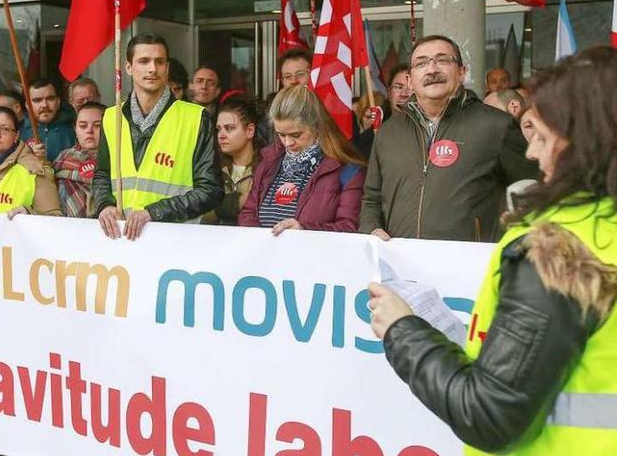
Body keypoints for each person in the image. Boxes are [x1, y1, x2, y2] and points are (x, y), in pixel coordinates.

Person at [367, 46, 617, 456]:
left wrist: (402, 330)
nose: (533, 153)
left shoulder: (557, 251)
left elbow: (488, 414)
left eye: (542, 135)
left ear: (583, 137)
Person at [359, 35, 537, 242]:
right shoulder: (389, 133)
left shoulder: (497, 126)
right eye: (421, 63)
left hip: (471, 267)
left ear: (462, 72)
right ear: (409, 80)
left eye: (443, 60)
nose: (432, 69)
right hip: (402, 266)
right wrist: (371, 229)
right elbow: (371, 199)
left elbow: (533, 191)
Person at [93, 33, 223, 240]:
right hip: (119, 241)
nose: (152, 68)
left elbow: (211, 190)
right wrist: (105, 204)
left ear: (167, 67)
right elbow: (101, 175)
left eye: (159, 62)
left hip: (175, 241)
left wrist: (155, 212)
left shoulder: (196, 117)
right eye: (144, 61)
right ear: (128, 67)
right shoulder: (111, 117)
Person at [239, 85, 366, 234]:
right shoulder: (268, 162)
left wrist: (304, 231)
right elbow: (248, 212)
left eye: (296, 135)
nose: (287, 143)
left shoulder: (347, 171)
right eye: (281, 134)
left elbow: (349, 227)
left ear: (317, 126)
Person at [204, 95, 265, 225]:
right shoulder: (211, 167)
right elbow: (200, 214)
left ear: (250, 131)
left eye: (229, 128)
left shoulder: (266, 168)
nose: (221, 135)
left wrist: (220, 206)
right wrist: (237, 202)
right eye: (218, 129)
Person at [53, 102, 104, 218]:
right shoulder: (62, 159)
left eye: (97, 125)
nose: (89, 131)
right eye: (83, 126)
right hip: (65, 227)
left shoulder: (119, 160)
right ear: (75, 129)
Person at [28, 78, 77, 163]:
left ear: (58, 102)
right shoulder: (17, 132)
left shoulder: (75, 129)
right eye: (37, 100)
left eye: (50, 99)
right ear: (27, 105)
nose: (44, 105)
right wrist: (27, 156)